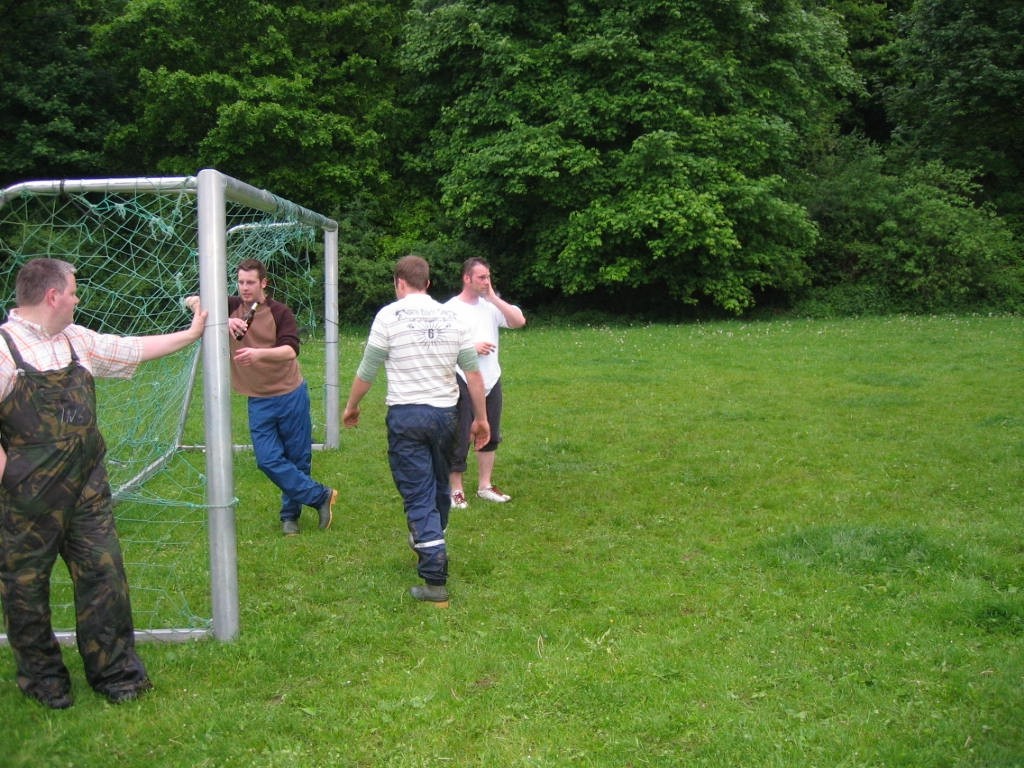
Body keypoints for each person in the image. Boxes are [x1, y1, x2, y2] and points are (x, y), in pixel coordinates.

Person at [0, 257, 207, 709]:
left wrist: (191, 334)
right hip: (27, 499)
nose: (77, 299)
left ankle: (115, 673)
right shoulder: (4, 349)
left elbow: (131, 349)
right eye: (73, 292)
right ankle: (44, 681)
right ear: (53, 296)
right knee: (25, 588)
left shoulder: (77, 341)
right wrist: (9, 476)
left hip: (86, 490)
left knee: (103, 572)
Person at [342, 255, 489, 606]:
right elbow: (473, 373)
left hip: (406, 417)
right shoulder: (453, 317)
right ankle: (431, 534)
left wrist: (352, 406)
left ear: (399, 283)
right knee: (439, 484)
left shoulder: (388, 316)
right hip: (446, 417)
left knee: (419, 494)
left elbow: (368, 370)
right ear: (428, 283)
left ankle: (435, 579)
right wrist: (481, 419)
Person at [189, 258, 336, 537]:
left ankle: (289, 517)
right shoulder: (229, 306)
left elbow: (290, 351)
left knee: (298, 459)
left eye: (251, 282)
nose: (245, 288)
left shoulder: (280, 312)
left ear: (263, 283)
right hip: (258, 399)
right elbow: (192, 300)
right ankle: (320, 496)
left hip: (290, 393)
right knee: (267, 459)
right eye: (241, 282)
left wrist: (258, 354)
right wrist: (223, 320)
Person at [444, 257, 526, 509]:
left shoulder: (490, 305)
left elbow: (519, 322)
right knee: (461, 435)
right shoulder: (449, 310)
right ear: (466, 278)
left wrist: (493, 298)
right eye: (481, 277)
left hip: (491, 379)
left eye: (488, 277)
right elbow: (442, 347)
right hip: (462, 379)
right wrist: (471, 347)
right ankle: (456, 490)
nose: (486, 281)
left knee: (490, 431)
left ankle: (485, 486)